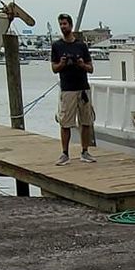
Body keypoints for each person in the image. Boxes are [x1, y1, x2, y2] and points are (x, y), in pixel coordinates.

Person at [51, 12, 97, 165]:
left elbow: (91, 68)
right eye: (61, 24)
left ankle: (85, 151)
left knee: (86, 121)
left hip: (82, 88)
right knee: (65, 123)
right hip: (67, 89)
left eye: (65, 24)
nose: (63, 27)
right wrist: (63, 63)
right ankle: (65, 153)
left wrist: (82, 64)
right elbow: (54, 68)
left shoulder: (81, 46)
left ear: (70, 25)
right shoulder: (57, 46)